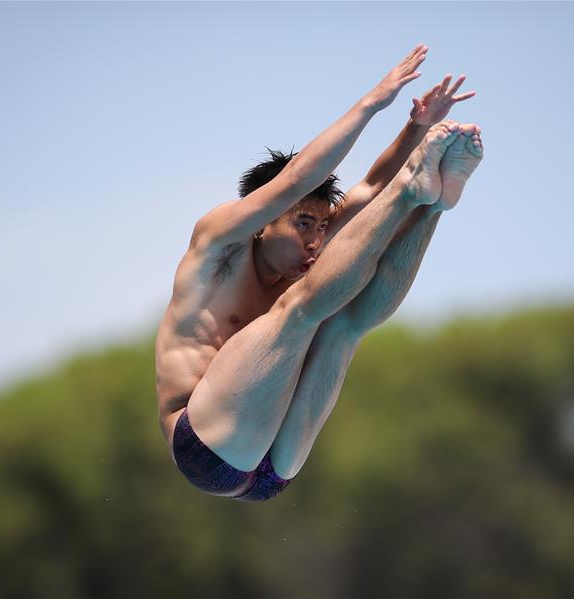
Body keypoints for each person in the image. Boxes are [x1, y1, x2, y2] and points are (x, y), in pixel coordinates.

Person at [155, 44, 484, 501]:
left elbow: (369, 187)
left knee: (345, 327)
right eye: (302, 224)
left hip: (273, 472)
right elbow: (294, 182)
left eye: (321, 226)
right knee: (300, 307)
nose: (315, 242)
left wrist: (417, 125)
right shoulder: (217, 247)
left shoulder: (307, 258)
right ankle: (412, 189)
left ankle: (434, 204)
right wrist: (373, 102)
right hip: (206, 447)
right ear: (260, 223)